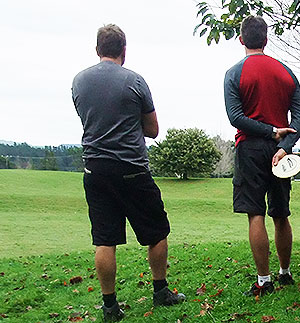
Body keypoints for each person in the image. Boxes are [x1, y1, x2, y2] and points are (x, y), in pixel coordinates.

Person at [71, 24, 185, 322]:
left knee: (104, 240)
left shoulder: (79, 81)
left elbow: (89, 119)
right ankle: (161, 291)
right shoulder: (135, 81)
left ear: (97, 50)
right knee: (157, 232)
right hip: (132, 168)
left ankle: (110, 307)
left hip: (95, 170)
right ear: (124, 50)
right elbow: (153, 129)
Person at [224, 16, 300, 297]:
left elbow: (235, 116)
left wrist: (270, 131)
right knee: (281, 213)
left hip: (250, 148)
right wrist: (286, 142)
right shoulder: (286, 72)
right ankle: (285, 273)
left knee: (255, 213)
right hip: (282, 151)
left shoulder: (234, 74)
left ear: (242, 40)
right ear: (267, 39)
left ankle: (264, 280)